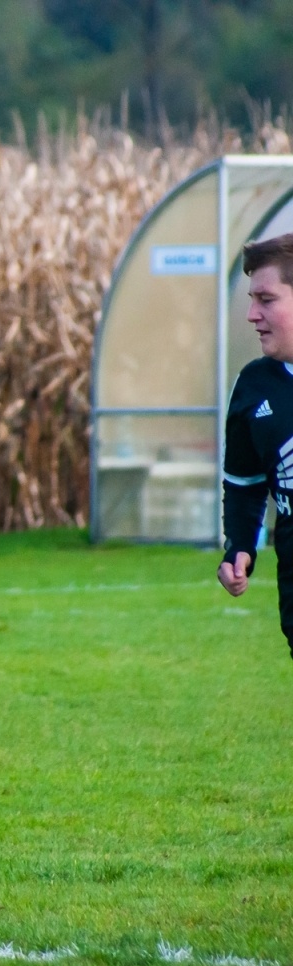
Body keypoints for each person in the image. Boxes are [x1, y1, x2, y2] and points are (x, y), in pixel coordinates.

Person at [219, 232, 293, 657]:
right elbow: (245, 483)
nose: (251, 314)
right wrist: (240, 546)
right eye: (251, 299)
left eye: (266, 299)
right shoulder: (253, 386)